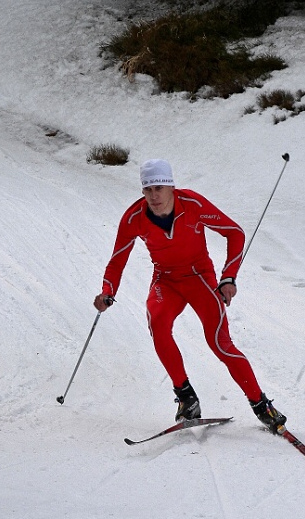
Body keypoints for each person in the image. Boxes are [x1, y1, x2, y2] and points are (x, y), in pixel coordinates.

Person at [94, 159, 286, 431]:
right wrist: (107, 292)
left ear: (171, 186)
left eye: (160, 188)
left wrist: (228, 277)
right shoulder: (133, 218)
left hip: (200, 278)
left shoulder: (193, 204)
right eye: (148, 189)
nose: (154, 196)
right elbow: (117, 261)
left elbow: (235, 234)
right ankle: (187, 398)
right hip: (166, 280)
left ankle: (261, 404)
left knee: (220, 343)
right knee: (158, 323)